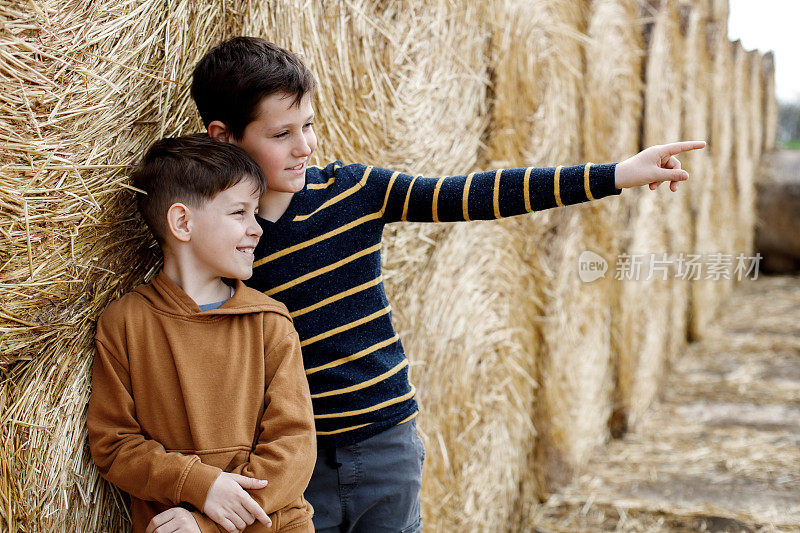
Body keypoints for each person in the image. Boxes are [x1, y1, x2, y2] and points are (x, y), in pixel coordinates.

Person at [191, 37, 706, 533]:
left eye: (309, 125)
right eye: (281, 135)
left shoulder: (355, 191)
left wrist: (615, 173)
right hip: (289, 461)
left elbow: (474, 194)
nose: (304, 146)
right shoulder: (223, 238)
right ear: (223, 136)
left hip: (385, 445)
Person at [86, 135, 316, 533]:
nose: (256, 228)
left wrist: (208, 522)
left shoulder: (269, 322)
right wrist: (199, 484)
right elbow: (114, 445)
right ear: (182, 223)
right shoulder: (125, 323)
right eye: (239, 213)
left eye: (256, 212)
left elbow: (294, 446)